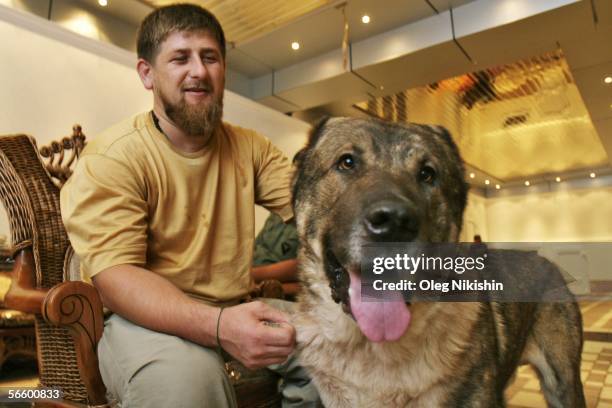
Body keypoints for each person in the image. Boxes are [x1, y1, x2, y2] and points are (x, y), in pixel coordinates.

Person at [60, 4, 319, 407]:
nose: (198, 70)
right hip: (142, 323)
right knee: (190, 383)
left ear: (223, 70)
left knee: (340, 348)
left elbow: (320, 212)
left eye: (210, 57)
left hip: (235, 306)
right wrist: (218, 326)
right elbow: (116, 277)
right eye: (180, 57)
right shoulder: (113, 156)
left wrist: (415, 268)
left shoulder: (250, 147)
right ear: (147, 73)